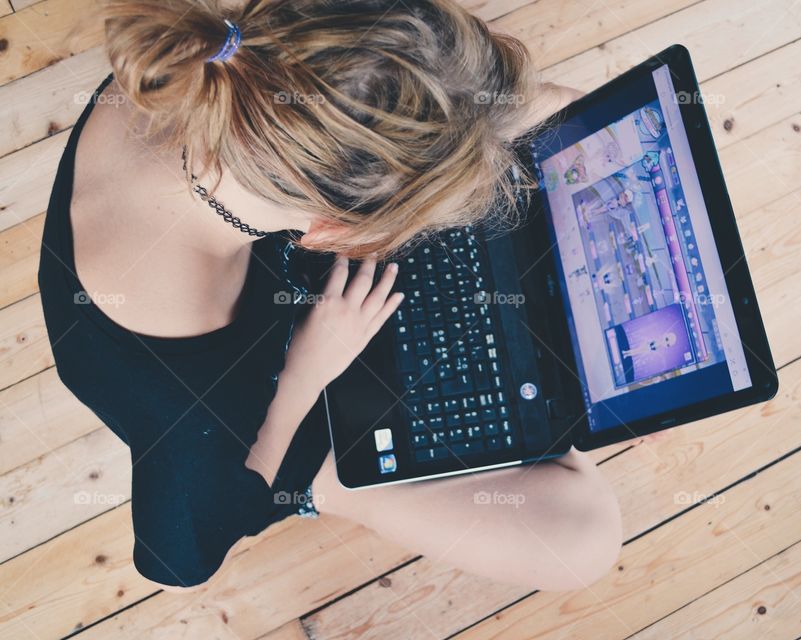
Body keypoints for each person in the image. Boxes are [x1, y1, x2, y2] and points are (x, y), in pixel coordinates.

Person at [38, 0, 622, 592]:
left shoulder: (243, 63)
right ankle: (341, 485)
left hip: (289, 270)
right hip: (265, 404)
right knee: (582, 542)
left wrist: (508, 114)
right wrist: (305, 373)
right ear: (331, 236)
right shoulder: (184, 336)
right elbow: (180, 555)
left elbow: (501, 101)